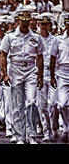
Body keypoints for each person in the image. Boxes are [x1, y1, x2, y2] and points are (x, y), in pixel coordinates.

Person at [0, 7, 44, 144]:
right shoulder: (10, 36)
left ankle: (30, 135)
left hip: (30, 69)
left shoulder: (36, 37)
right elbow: (3, 55)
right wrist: (5, 73)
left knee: (31, 102)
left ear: (30, 21)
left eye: (27, 20)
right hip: (15, 69)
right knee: (17, 105)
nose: (24, 23)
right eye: (22, 20)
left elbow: (40, 57)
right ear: (18, 20)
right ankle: (19, 136)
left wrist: (40, 75)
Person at [36, 13, 57, 142]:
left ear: (50, 25)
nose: (44, 27)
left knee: (53, 103)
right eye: (42, 24)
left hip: (52, 74)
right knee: (42, 105)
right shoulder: (35, 39)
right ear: (39, 25)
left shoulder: (55, 39)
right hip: (39, 75)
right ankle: (46, 130)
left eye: (46, 24)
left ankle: (54, 129)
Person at [50, 12, 69, 143]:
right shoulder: (58, 39)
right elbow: (52, 58)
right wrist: (52, 76)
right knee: (62, 104)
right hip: (63, 72)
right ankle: (67, 126)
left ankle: (67, 129)